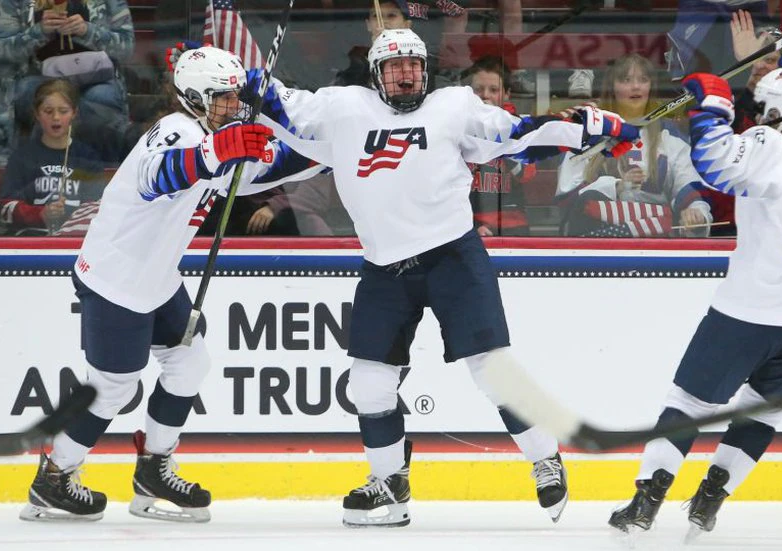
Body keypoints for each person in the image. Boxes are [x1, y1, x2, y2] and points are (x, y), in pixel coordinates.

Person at [252, 28, 640, 527]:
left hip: (453, 257)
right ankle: (390, 488)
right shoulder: (343, 110)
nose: (406, 73)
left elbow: (519, 136)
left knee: (491, 369)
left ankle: (544, 457)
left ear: (425, 70)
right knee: (369, 385)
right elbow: (285, 112)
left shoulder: (454, 107)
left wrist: (586, 129)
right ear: (376, 75)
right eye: (394, 67)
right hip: (384, 268)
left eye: (413, 64)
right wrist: (247, 86)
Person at [19, 46, 324, 523]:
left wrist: (329, 153)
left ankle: (154, 468)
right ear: (195, 98)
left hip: (157, 280)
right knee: (112, 388)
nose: (235, 106)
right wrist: (219, 149)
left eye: (237, 97)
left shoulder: (212, 134)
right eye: (224, 98)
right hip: (116, 279)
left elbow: (264, 168)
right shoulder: (176, 131)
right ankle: (54, 477)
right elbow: (159, 175)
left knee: (188, 363)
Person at [607, 63, 782, 538]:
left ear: (775, 113)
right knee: (763, 412)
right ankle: (709, 502)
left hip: (750, 313)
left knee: (688, 402)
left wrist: (713, 106)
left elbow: (713, 163)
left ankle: (645, 501)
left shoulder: (769, 148)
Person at [556, 54, 713, 238]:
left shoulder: (669, 137)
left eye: (643, 80)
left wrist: (696, 214)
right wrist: (617, 187)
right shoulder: (586, 134)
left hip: (655, 249)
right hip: (595, 247)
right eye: (626, 80)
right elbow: (568, 199)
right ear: (612, 88)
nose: (636, 86)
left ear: (651, 88)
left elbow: (690, 190)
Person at [0, 0, 135, 166]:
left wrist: (88, 31)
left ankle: (99, 170)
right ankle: (44, 167)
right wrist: (38, 32)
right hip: (38, 77)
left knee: (102, 96)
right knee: (39, 97)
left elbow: (127, 48)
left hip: (97, 78)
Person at [0, 79, 105, 236]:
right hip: (31, 241)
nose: (56, 117)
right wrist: (40, 213)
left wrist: (71, 216)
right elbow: (5, 209)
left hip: (74, 242)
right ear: (37, 114)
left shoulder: (87, 159)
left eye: (63, 111)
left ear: (74, 113)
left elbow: (97, 208)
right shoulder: (22, 158)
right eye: (48, 111)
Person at [466, 56, 532, 236]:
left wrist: (499, 131)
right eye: (478, 89)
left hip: (512, 225)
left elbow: (526, 174)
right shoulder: (458, 128)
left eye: (493, 90)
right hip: (467, 225)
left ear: (507, 94)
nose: (485, 95)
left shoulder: (519, 127)